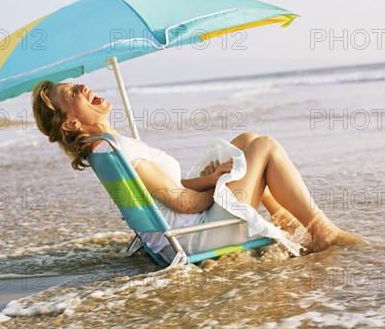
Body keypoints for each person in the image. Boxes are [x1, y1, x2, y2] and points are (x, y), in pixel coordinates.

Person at [31, 80, 365, 262]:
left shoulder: (109, 147)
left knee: (247, 140)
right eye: (74, 93)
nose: (84, 87)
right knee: (264, 146)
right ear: (73, 122)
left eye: (78, 84)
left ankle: (286, 222)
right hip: (198, 235)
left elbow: (168, 191)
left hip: (187, 226)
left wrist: (209, 179)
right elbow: (185, 203)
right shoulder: (117, 149)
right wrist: (218, 183)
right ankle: (323, 232)